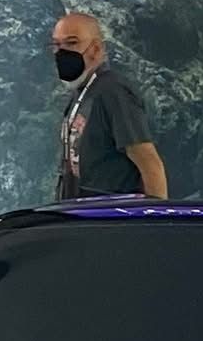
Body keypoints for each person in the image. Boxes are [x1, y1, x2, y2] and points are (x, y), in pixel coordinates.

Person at [50, 11, 168, 200]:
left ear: (95, 49)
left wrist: (155, 220)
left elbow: (149, 162)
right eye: (56, 45)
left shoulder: (113, 91)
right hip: (82, 219)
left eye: (72, 43)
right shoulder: (81, 93)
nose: (61, 52)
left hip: (111, 220)